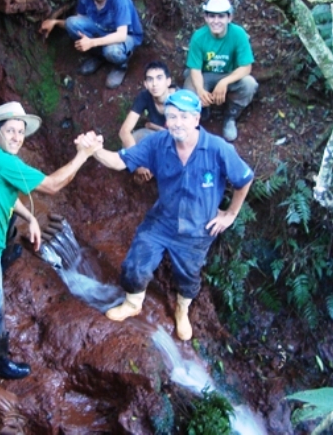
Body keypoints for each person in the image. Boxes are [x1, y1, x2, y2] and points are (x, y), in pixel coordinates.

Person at [0, 101, 102, 379]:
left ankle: (3, 257)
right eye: (11, 131)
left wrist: (30, 217)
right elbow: (53, 186)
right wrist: (83, 155)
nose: (17, 137)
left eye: (21, 131)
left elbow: (2, 194)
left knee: (9, 218)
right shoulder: (3, 161)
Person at [91, 90, 254, 341]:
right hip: (162, 221)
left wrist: (230, 214)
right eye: (172, 116)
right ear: (166, 120)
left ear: (196, 119)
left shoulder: (218, 148)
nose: (177, 122)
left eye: (184, 117)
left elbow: (244, 179)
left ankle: (182, 310)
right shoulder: (158, 143)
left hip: (199, 228)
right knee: (136, 262)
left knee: (188, 276)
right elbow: (119, 161)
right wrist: (94, 150)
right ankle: (133, 303)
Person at [39, 0, 144, 89]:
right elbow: (78, 22)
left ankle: (120, 66)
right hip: (102, 29)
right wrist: (55, 22)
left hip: (126, 36)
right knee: (72, 23)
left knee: (111, 50)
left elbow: (121, 35)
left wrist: (92, 43)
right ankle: (99, 57)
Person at [183, 0, 258, 142]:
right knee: (188, 91)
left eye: (221, 16)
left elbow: (246, 67)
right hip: (205, 75)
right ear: (206, 17)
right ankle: (200, 113)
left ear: (229, 18)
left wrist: (224, 82)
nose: (216, 21)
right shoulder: (199, 37)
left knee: (249, 84)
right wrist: (200, 90)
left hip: (229, 75)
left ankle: (230, 117)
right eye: (212, 16)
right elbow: (195, 69)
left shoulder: (238, 34)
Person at [118, 60, 176, 183]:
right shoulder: (144, 96)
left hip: (175, 141)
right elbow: (124, 131)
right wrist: (138, 162)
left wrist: (153, 126)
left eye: (159, 78)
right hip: (155, 136)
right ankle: (145, 169)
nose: (154, 84)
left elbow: (186, 135)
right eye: (150, 79)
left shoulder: (180, 99)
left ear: (168, 81)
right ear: (145, 84)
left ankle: (157, 171)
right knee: (129, 141)